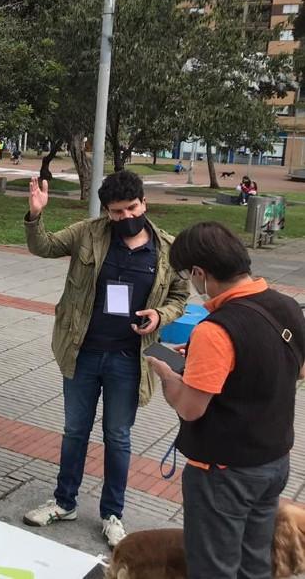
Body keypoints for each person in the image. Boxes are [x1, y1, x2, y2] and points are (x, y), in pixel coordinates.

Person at [20, 171, 189, 547]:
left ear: (144, 202)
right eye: (117, 211)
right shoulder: (88, 233)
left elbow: (180, 295)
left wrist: (161, 315)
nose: (127, 217)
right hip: (83, 352)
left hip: (129, 360)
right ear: (107, 211)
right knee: (75, 431)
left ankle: (113, 513)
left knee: (118, 436)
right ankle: (64, 502)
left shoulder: (166, 249)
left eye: (132, 208)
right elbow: (44, 247)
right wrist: (35, 216)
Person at [148, 222, 305, 579]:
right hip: (273, 461)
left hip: (223, 473)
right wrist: (216, 368)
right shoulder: (287, 306)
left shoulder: (216, 329)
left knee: (213, 567)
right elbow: (297, 370)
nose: (192, 284)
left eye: (189, 276)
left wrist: (170, 376)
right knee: (256, 562)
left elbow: (190, 408)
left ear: (201, 273)